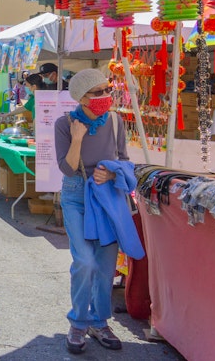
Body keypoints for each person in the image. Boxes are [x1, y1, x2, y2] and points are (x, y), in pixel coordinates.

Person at [54, 69, 129, 354]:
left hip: (108, 196)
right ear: (81, 98)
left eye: (106, 89)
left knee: (106, 264)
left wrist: (111, 175)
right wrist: (77, 138)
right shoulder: (65, 123)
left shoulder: (115, 120)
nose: (104, 96)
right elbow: (67, 167)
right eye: (96, 93)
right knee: (84, 261)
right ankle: (78, 322)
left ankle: (99, 321)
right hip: (76, 194)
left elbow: (123, 160)